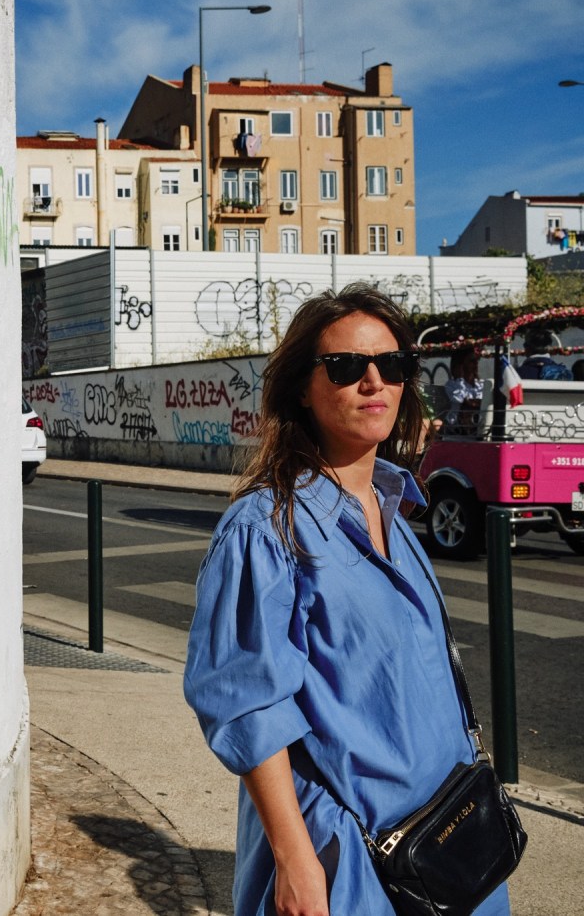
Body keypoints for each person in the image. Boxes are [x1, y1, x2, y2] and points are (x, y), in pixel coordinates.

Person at [183, 283, 509, 916]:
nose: (373, 382)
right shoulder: (267, 527)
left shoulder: (394, 504)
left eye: (391, 366)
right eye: (345, 366)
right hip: (351, 856)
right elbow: (246, 704)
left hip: (450, 836)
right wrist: (295, 859)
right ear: (302, 387)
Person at [443, 345, 485, 434]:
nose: (476, 364)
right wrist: (460, 377)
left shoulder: (480, 384)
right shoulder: (452, 384)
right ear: (461, 364)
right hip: (456, 428)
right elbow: (459, 399)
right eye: (472, 361)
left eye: (476, 361)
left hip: (478, 425)